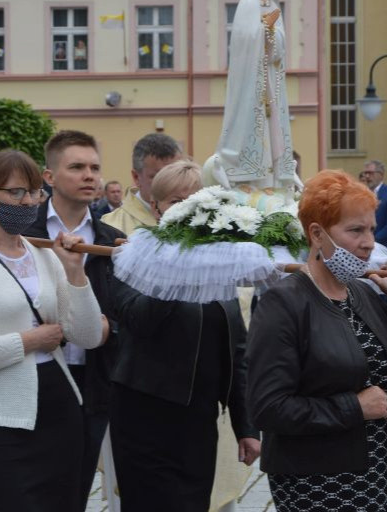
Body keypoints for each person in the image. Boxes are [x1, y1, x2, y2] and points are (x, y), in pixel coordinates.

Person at [247, 170, 387, 512]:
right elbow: (267, 407)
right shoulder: (284, 303)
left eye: (372, 230)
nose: (368, 243)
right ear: (317, 234)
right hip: (318, 484)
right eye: (355, 230)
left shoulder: (363, 294)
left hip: (381, 476)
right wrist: (354, 407)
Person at [0, 149, 104, 511]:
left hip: (58, 412)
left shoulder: (44, 254)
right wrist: (32, 340)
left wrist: (76, 272)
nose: (27, 201)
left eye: (34, 193)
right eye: (15, 193)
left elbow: (88, 335)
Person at [109, 160, 260, 512]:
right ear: (157, 206)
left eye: (196, 201)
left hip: (199, 420)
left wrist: (247, 427)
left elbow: (237, 352)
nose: (188, 210)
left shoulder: (218, 265)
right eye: (177, 201)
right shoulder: (131, 255)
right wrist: (177, 271)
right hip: (144, 415)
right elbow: (138, 320)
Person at [23, 130, 124, 509]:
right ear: (48, 177)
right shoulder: (21, 233)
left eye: (95, 168)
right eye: (77, 167)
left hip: (91, 381)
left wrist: (107, 328)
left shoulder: (112, 240)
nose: (89, 176)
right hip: (31, 376)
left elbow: (121, 317)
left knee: (74, 491)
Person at [210, 0, 298, 191]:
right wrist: (264, 28)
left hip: (269, 77)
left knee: (273, 123)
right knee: (251, 121)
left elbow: (279, 50)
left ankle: (271, 177)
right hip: (250, 78)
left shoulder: (273, 5)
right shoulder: (248, 4)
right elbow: (243, 41)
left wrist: (272, 31)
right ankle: (249, 174)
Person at [102, 133, 181, 235]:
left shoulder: (200, 216)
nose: (171, 183)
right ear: (136, 177)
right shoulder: (110, 226)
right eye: (159, 177)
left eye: (177, 173)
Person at [363, 160, 387, 256]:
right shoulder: (362, 194)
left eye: (370, 173)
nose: (367, 176)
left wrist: (373, 239)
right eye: (365, 173)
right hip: (365, 249)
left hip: (386, 247)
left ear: (381, 174)